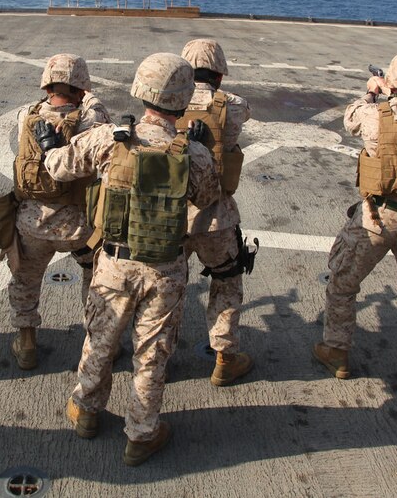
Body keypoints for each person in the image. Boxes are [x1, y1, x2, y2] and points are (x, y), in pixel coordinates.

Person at [47, 53, 220, 466]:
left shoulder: (109, 138)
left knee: (100, 340)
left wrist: (52, 145)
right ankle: (141, 434)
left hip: (114, 262)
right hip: (166, 267)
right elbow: (209, 197)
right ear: (183, 99)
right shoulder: (194, 154)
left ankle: (87, 411)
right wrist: (205, 147)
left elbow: (57, 168)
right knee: (152, 354)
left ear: (141, 90)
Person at [314, 52, 397, 381]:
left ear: (394, 80)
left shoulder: (373, 114)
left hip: (377, 217)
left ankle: (337, 352)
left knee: (343, 282)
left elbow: (351, 119)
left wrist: (373, 91)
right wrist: (394, 92)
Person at [5, 53, 109, 370]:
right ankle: (97, 338)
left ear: (46, 85)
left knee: (25, 278)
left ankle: (26, 341)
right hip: (79, 226)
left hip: (33, 222)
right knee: (95, 275)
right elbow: (97, 109)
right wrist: (84, 92)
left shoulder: (27, 115)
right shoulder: (91, 120)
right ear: (80, 87)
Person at [176, 38, 254, 386]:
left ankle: (156, 358)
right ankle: (224, 359)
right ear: (220, 75)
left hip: (172, 216)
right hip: (216, 216)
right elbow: (244, 112)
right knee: (226, 283)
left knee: (166, 288)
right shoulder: (232, 105)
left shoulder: (170, 100)